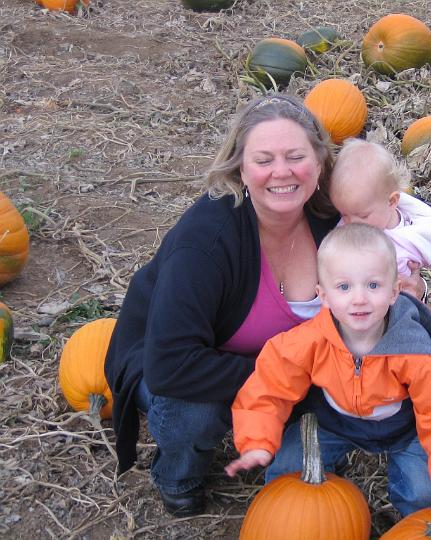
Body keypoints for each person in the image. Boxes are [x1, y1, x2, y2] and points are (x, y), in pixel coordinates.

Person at [103, 94, 342, 518]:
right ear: (241, 168)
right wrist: (287, 378)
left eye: (296, 156)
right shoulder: (207, 239)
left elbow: (387, 270)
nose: (282, 172)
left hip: (282, 364)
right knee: (194, 410)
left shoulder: (334, 220)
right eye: (264, 159)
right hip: (176, 364)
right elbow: (170, 366)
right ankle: (179, 474)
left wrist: (411, 291)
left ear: (320, 161)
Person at [225, 223, 431, 517]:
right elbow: (268, 387)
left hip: (405, 430)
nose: (359, 298)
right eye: (344, 287)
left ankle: (414, 519)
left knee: (426, 494)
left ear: (394, 292)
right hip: (333, 422)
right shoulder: (308, 341)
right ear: (323, 296)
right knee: (288, 471)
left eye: (373, 285)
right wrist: (257, 441)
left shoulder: (414, 351)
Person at [330, 138, 431, 278]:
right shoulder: (357, 220)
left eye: (363, 216)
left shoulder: (404, 244)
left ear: (392, 202)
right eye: (344, 214)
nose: (351, 224)